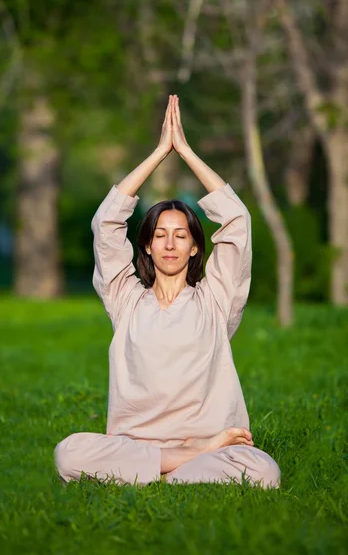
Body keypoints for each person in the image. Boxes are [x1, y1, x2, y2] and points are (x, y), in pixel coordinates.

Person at [54, 95, 281, 488]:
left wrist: (186, 151)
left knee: (264, 471)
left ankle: (156, 474)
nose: (170, 244)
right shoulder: (125, 299)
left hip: (210, 441)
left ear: (196, 246)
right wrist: (159, 152)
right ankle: (185, 465)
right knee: (67, 452)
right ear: (146, 245)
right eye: (160, 235)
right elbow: (107, 223)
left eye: (181, 236)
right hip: (140, 444)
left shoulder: (215, 299)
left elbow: (237, 220)